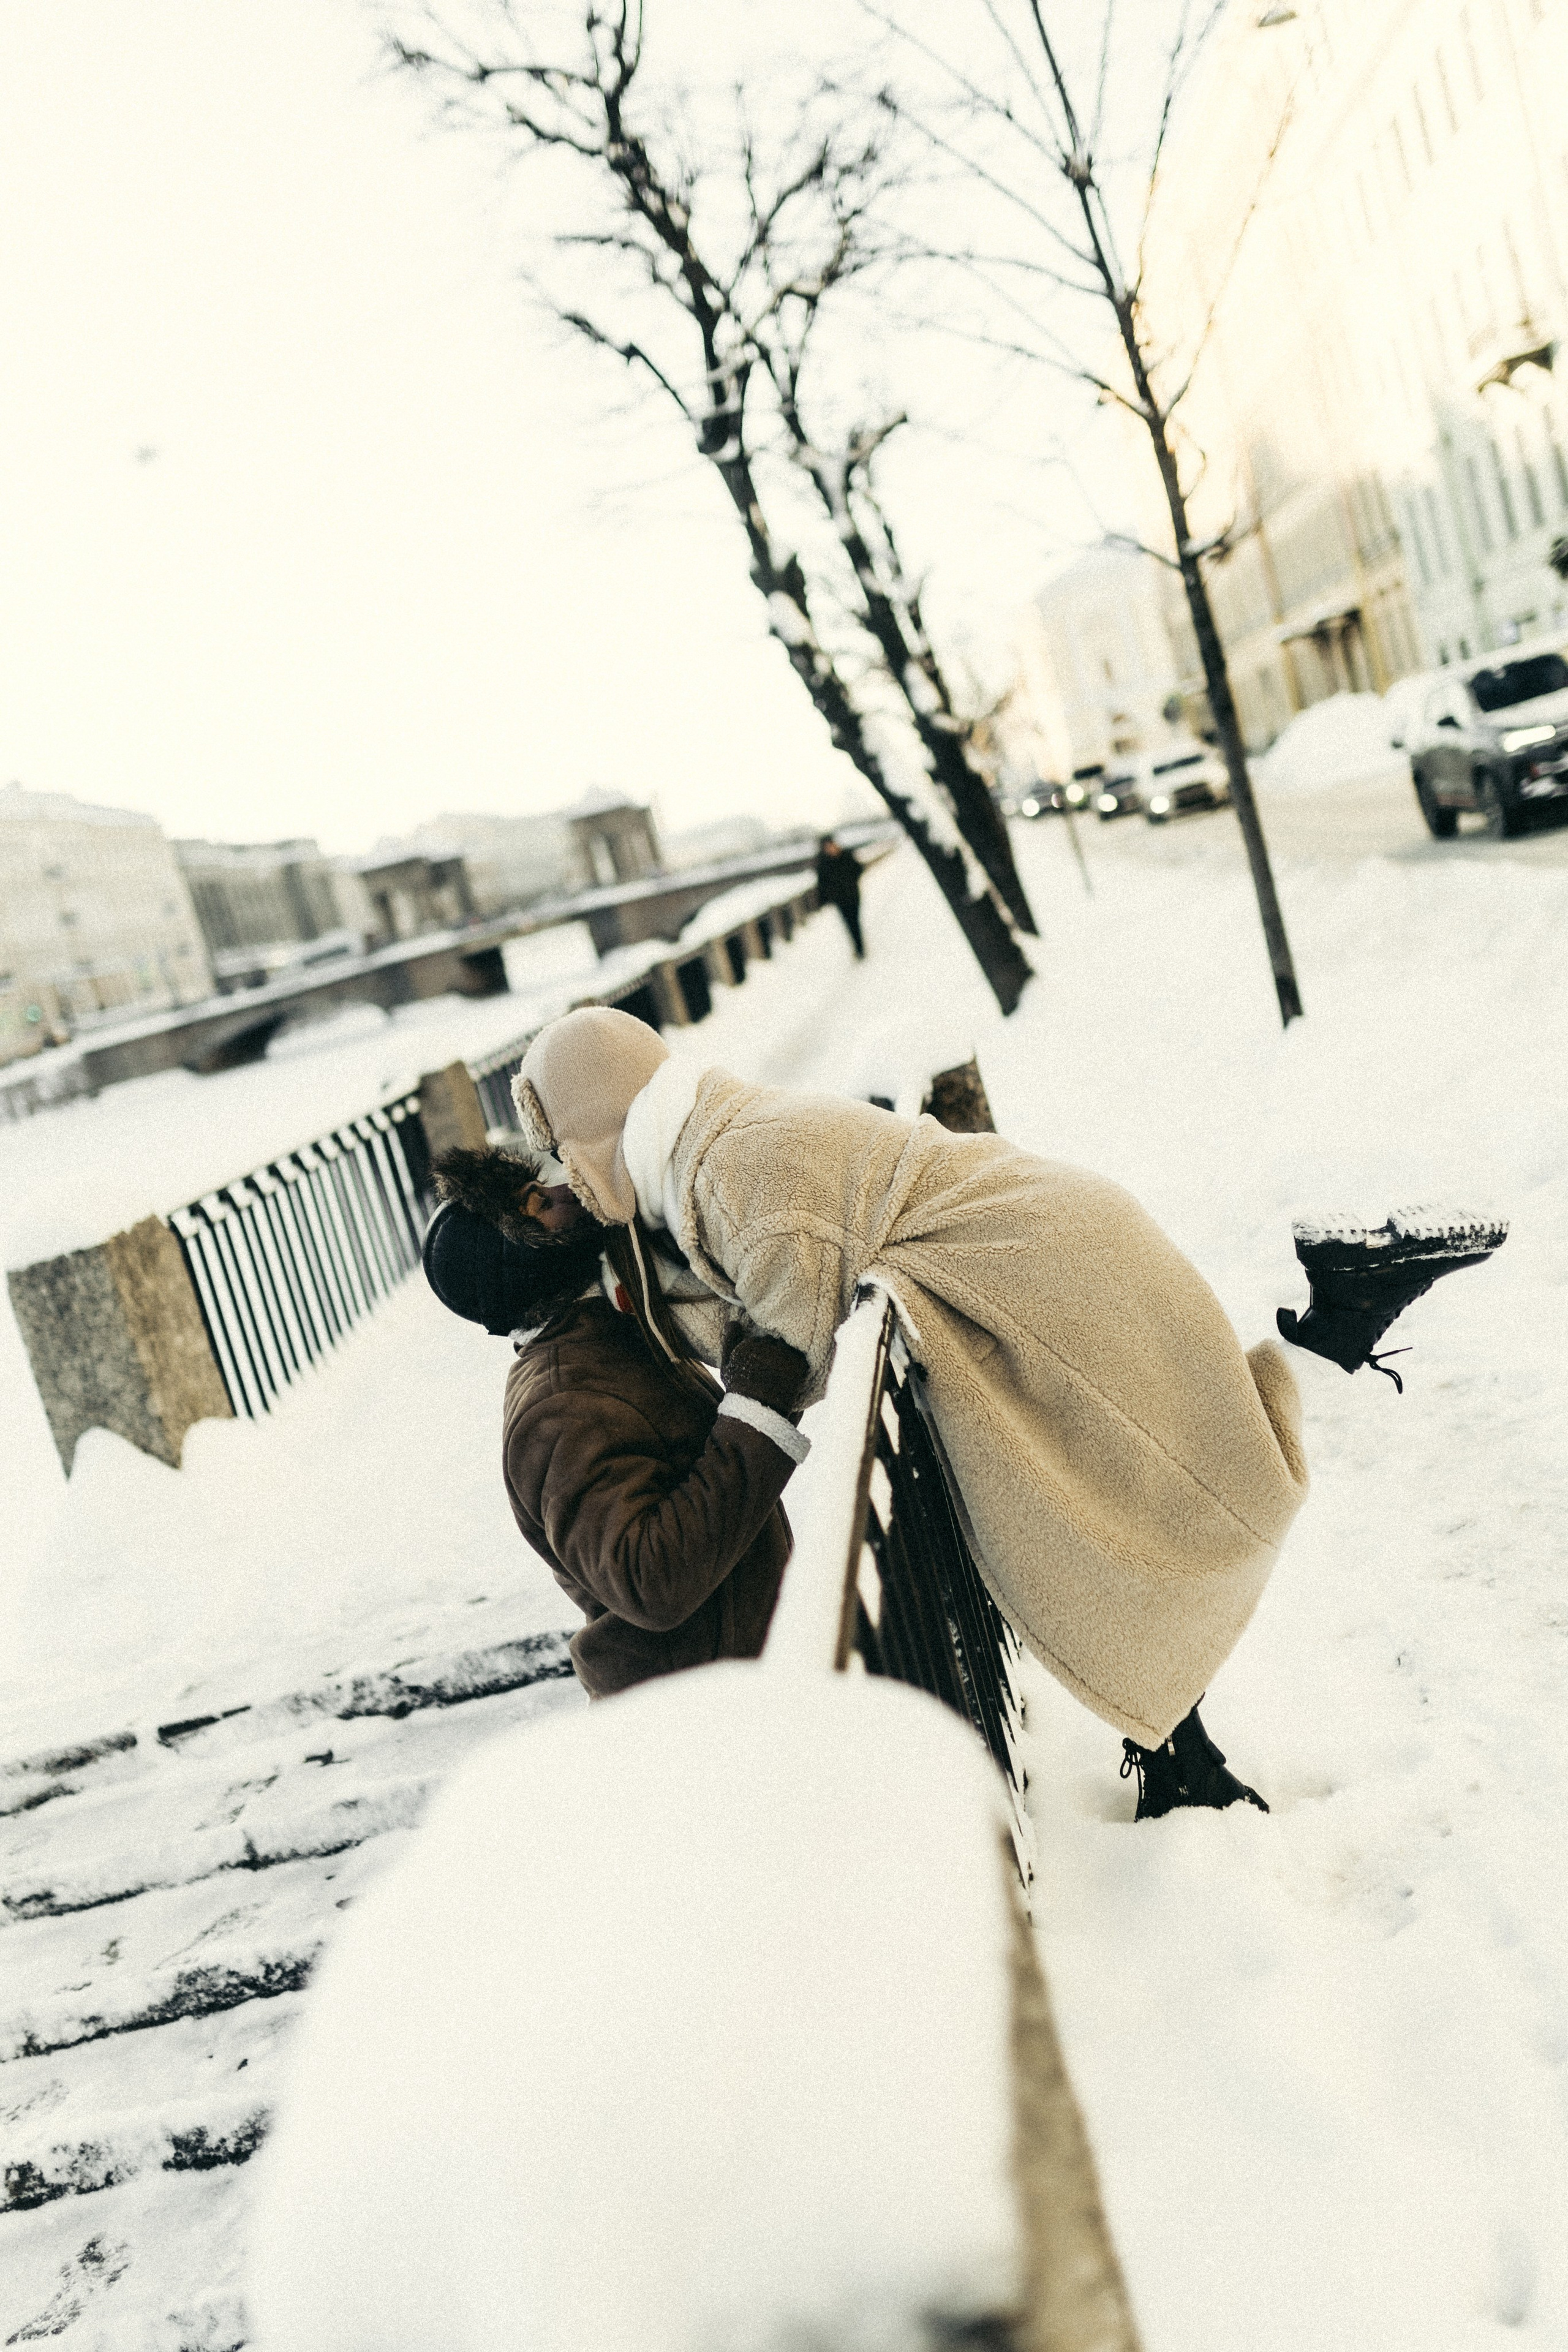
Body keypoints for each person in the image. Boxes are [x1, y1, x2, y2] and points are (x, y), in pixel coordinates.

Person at [486, 1005, 1504, 1816]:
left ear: (605, 1121)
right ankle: (1345, 1314)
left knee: (1171, 1504)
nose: (564, 1175)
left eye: (562, 1145)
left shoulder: (733, 1172)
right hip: (1036, 1257)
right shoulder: (711, 1148)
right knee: (1133, 1503)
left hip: (1039, 1278)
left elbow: (791, 1348)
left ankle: (1345, 1309)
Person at [420, 1162, 812, 1698]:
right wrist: (756, 1412)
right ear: (521, 1257)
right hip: (694, 1720)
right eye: (538, 1203)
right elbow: (648, 1580)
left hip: (735, 1684)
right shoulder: (559, 1407)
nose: (565, 1192)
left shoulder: (605, 1335)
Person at [814, 833, 865, 958]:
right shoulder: (822, 864)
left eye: (830, 845)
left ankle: (860, 947)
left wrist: (850, 881)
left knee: (855, 922)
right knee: (849, 924)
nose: (830, 848)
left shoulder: (846, 855)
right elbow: (822, 885)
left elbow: (859, 869)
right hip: (840, 900)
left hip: (853, 895)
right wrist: (826, 899)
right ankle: (859, 948)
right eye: (826, 846)